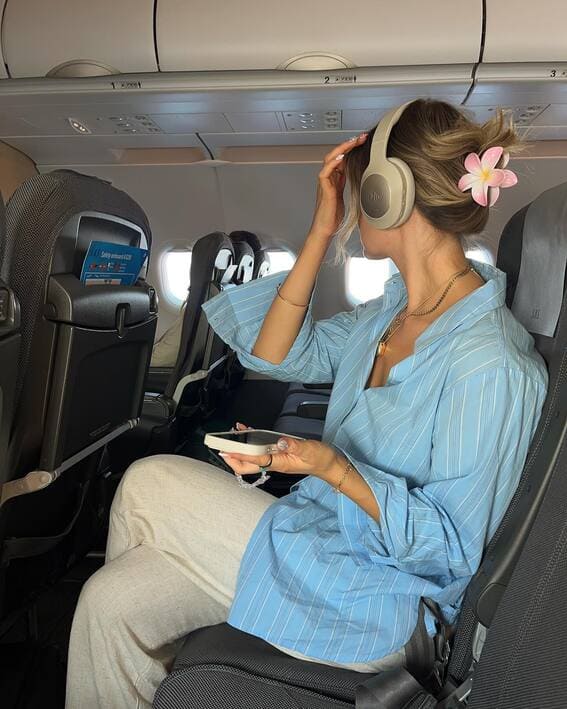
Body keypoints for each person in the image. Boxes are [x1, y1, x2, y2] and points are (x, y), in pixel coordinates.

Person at [65, 99, 548, 708]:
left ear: (385, 195)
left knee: (147, 481)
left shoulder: (490, 363)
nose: (350, 209)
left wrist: (328, 466)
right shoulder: (390, 314)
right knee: (108, 605)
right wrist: (319, 232)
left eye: (357, 193)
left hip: (380, 598)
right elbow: (274, 355)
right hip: (321, 542)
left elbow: (451, 551)